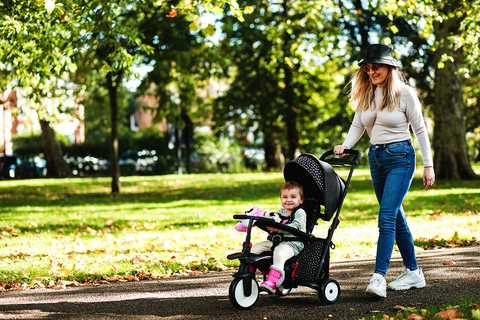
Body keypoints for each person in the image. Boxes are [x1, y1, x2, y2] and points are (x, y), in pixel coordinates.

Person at [334, 44, 435, 298]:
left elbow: (420, 129)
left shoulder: (404, 93)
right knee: (396, 216)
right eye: (368, 67)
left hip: (401, 157)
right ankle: (413, 272)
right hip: (376, 158)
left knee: (386, 216)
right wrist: (346, 145)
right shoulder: (367, 93)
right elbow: (358, 124)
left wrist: (428, 165)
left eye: (376, 66)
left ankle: (378, 277)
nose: (371, 71)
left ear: (389, 67)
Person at [250, 181, 307, 293]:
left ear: (301, 200)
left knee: (279, 252)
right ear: (281, 199)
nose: (288, 199)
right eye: (284, 197)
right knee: (255, 248)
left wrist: (279, 229)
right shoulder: (280, 212)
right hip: (277, 241)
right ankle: (249, 275)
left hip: (293, 243)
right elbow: (273, 220)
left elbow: (295, 226)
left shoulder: (300, 213)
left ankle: (273, 281)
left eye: (293, 197)